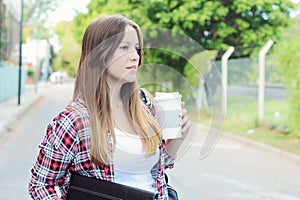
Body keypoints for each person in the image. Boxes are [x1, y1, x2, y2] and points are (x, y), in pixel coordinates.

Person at [28, 14, 191, 200]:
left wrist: (177, 141)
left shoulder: (145, 107)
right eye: (124, 48)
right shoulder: (74, 121)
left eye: (137, 49)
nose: (135, 57)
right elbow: (41, 184)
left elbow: (153, 169)